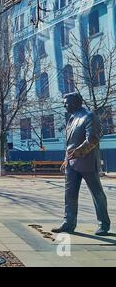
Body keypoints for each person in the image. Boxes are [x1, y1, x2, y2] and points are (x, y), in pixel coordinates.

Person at [52, 92, 111, 236]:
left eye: (67, 103)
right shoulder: (71, 119)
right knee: (70, 194)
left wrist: (77, 152)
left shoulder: (89, 116)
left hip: (87, 162)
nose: (65, 105)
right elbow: (69, 144)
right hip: (72, 163)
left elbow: (92, 139)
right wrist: (66, 160)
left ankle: (103, 224)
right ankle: (68, 223)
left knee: (97, 194)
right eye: (64, 103)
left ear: (76, 102)